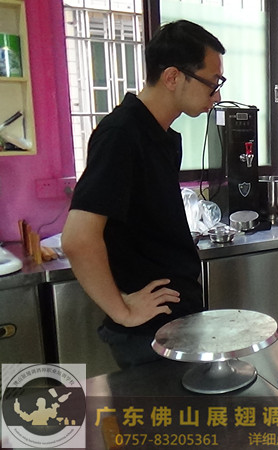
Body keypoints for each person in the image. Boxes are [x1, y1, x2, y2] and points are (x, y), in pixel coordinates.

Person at [61, 20, 226, 369]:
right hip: (147, 332)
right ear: (173, 77)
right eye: (212, 84)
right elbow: (77, 239)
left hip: (176, 318)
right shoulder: (121, 133)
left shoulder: (163, 137)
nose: (217, 96)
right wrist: (123, 311)